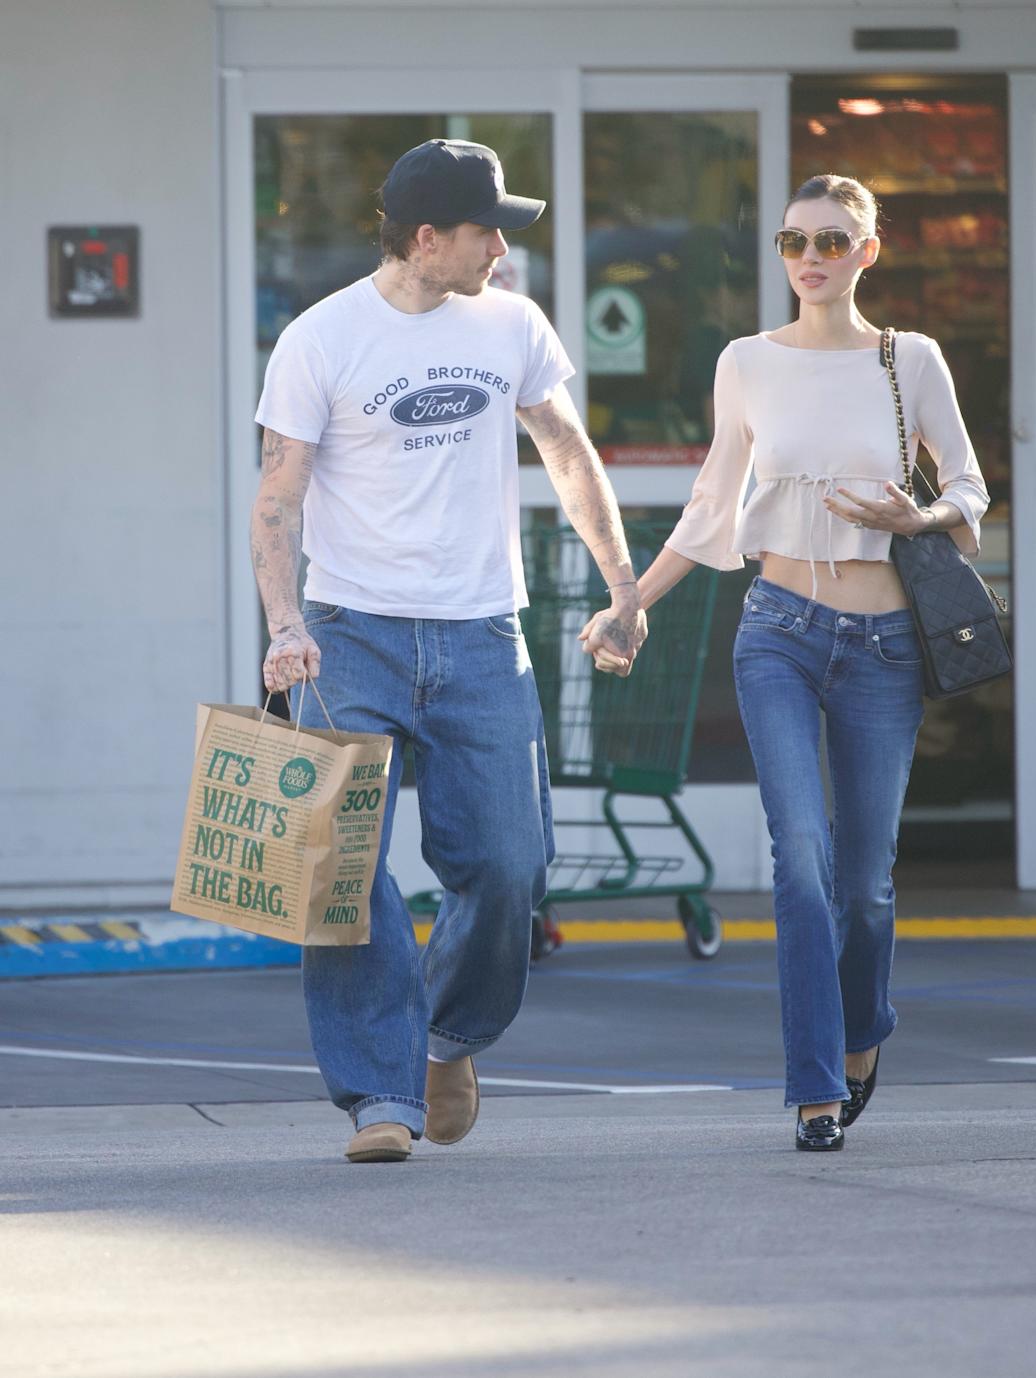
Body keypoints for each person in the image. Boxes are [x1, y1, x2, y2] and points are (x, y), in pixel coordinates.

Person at [251, 139, 646, 1163]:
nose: (502, 245)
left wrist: (623, 586)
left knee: (509, 864)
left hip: (482, 632)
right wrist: (284, 625)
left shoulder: (511, 323)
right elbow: (277, 498)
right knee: (344, 873)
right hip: (351, 636)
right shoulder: (320, 339)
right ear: (427, 238)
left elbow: (566, 447)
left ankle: (449, 1038)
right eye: (487, 229)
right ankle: (378, 1095)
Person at [584, 174, 989, 1151]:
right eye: (796, 240)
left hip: (885, 645)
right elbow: (712, 503)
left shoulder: (911, 359)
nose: (812, 257)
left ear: (867, 253)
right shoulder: (746, 362)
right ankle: (813, 1086)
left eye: (834, 240)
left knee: (865, 886)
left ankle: (863, 1034)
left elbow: (971, 494)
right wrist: (630, 600)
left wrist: (918, 514)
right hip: (778, 631)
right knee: (798, 861)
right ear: (781, 254)